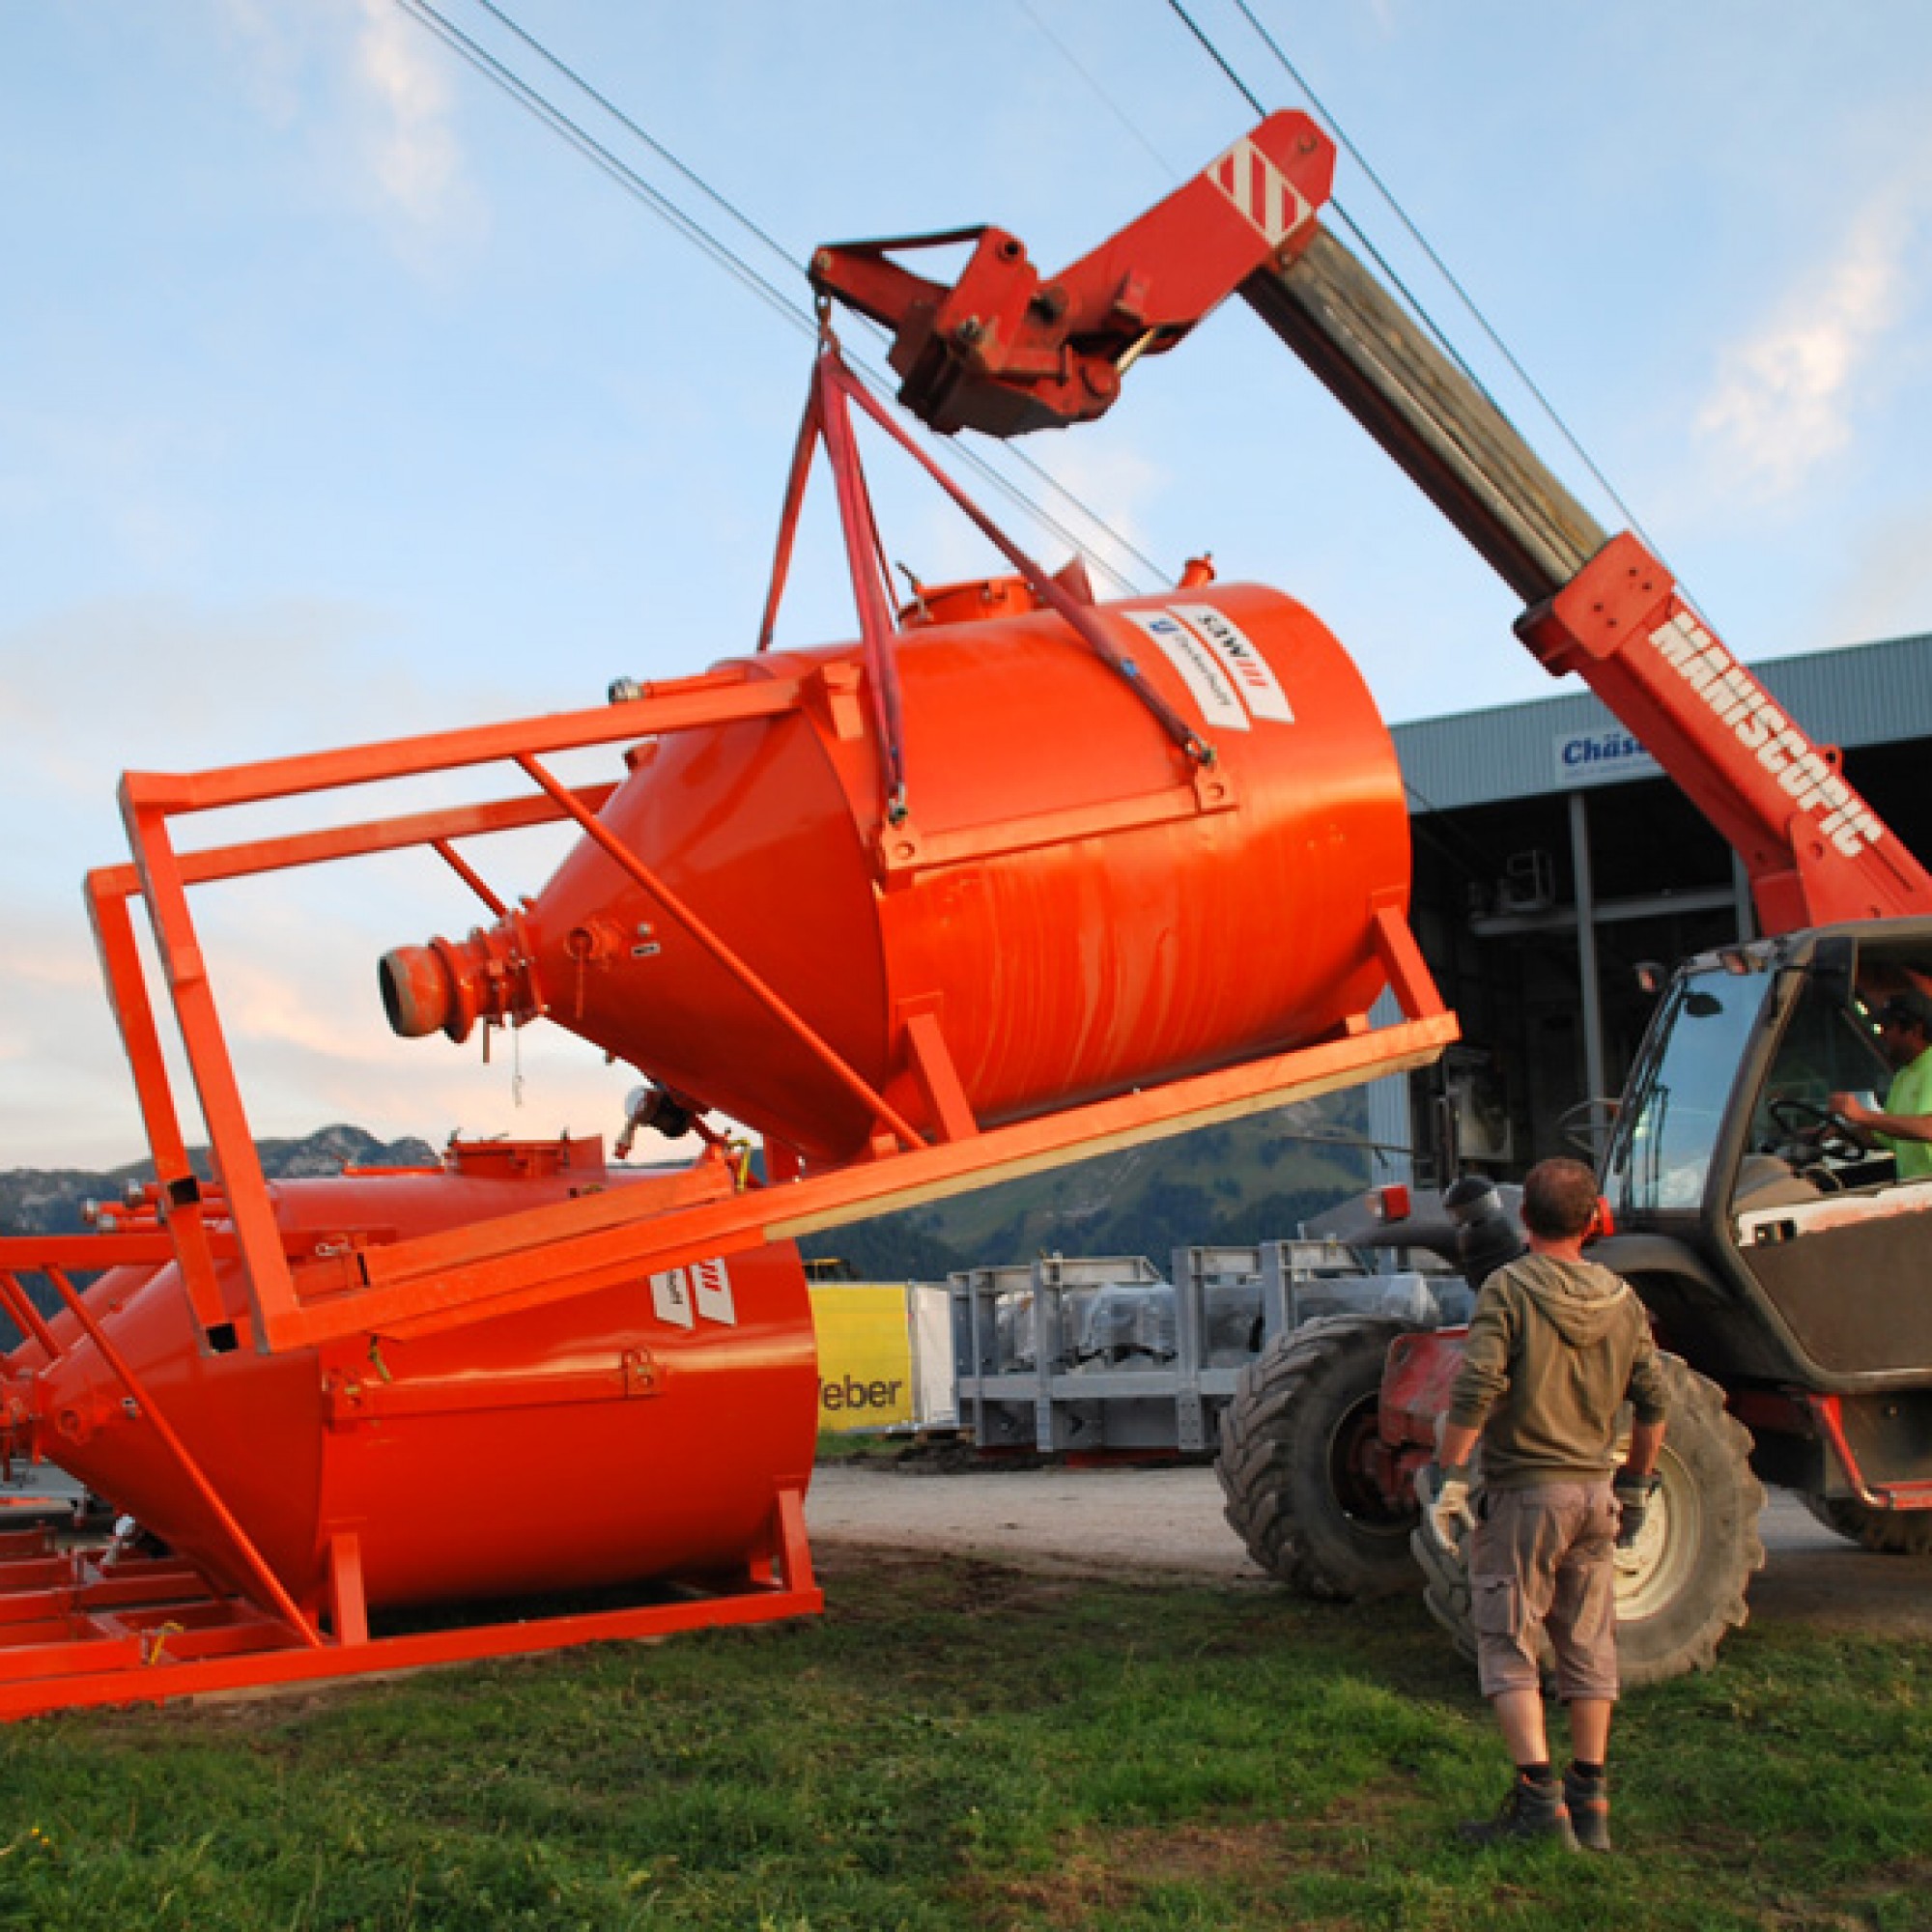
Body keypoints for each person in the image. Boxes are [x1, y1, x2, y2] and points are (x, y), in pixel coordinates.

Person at [1426, 1156, 1669, 1853]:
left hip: (1528, 1495)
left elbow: (1475, 1387)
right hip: (1597, 1494)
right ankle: (1591, 1804)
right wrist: (1635, 1487)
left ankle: (1538, 1806)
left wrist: (1451, 1475)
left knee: (1507, 1642)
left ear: (1523, 1218)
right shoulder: (1623, 1299)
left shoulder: (1508, 1287)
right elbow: (1654, 1402)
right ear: (1595, 1221)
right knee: (1588, 1644)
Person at [1830, 988, 1932, 1180]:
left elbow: (1929, 1128)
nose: (1881, 1033)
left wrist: (1861, 1115)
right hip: (1915, 1192)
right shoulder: (1903, 1075)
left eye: (1887, 1026)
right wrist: (1838, 1133)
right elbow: (1886, 1136)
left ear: (1914, 1030)